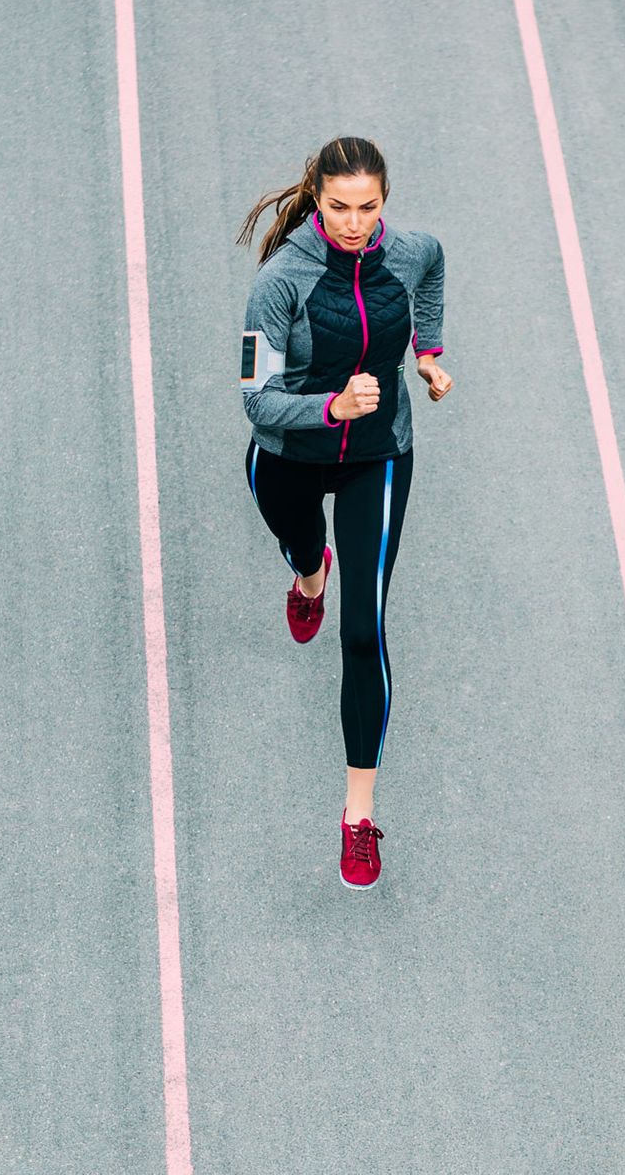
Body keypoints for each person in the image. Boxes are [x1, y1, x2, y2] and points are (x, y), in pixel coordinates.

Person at [235, 136, 452, 890]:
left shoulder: (411, 249)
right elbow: (254, 397)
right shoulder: (279, 281)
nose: (355, 224)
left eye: (368, 208)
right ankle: (307, 573)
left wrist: (426, 353)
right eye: (339, 208)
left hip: (378, 457)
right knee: (303, 547)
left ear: (383, 200)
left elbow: (431, 272)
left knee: (364, 632)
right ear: (317, 200)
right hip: (288, 457)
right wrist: (330, 405)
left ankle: (357, 816)